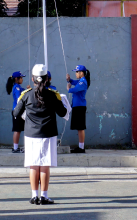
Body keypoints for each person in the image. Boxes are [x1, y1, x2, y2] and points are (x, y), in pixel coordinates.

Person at [14, 64, 67, 205]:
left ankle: (34, 196)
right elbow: (62, 113)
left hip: (31, 134)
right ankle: (44, 196)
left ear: (32, 79)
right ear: (47, 79)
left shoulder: (26, 95)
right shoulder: (53, 95)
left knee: (33, 165)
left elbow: (16, 113)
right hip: (48, 134)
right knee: (44, 165)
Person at [66, 65, 90, 153]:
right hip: (77, 106)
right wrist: (69, 80)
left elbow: (75, 89)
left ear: (81, 73)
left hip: (80, 106)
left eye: (77, 72)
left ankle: (81, 147)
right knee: (79, 128)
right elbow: (73, 82)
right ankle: (80, 146)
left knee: (80, 127)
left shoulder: (83, 82)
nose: (75, 73)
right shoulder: (80, 81)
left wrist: (68, 88)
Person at [6, 71, 30, 153]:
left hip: (20, 111)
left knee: (21, 129)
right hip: (18, 111)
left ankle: (18, 147)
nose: (22, 79)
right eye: (21, 78)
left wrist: (28, 90)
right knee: (17, 130)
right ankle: (15, 148)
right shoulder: (16, 88)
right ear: (16, 79)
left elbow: (24, 93)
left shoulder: (19, 87)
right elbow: (19, 99)